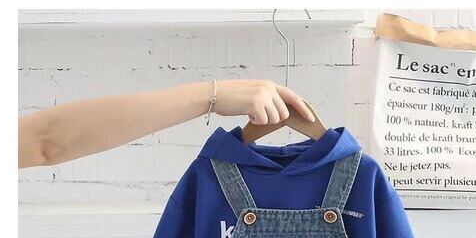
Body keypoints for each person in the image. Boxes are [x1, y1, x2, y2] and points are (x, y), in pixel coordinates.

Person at [18, 80, 314, 168]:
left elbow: (46, 141)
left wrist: (213, 95)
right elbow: (46, 141)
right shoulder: (213, 171)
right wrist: (212, 95)